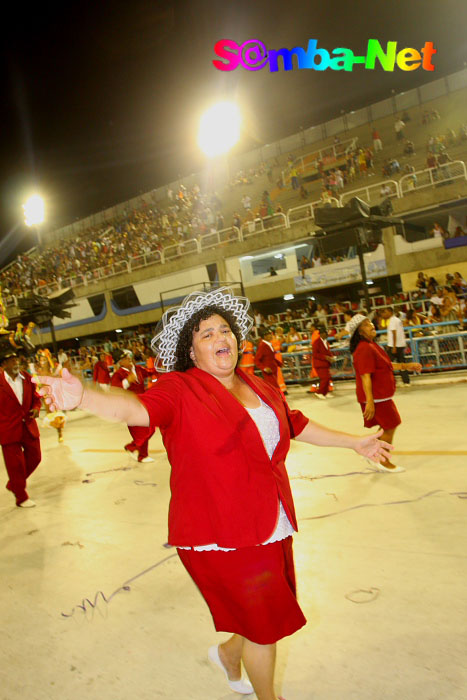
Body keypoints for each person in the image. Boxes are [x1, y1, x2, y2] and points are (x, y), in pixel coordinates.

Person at [35, 287, 392, 700]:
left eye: (225, 330)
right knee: (265, 625)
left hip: (270, 520)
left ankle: (227, 654)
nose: (220, 338)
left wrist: (355, 443)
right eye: (206, 334)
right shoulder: (180, 389)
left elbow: (294, 423)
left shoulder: (255, 384)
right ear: (191, 350)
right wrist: (84, 397)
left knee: (264, 612)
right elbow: (136, 410)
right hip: (220, 532)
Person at [349, 314, 421, 473]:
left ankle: (370, 450)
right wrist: (370, 401)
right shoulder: (364, 348)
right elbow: (365, 376)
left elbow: (386, 365)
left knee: (385, 426)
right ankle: (383, 461)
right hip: (377, 397)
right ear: (360, 332)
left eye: (370, 323)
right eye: (367, 325)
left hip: (381, 395)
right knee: (390, 425)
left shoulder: (371, 345)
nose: (371, 326)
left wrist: (406, 366)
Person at [0, 349, 42, 507]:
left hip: (28, 425)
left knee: (36, 457)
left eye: (16, 359)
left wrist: (37, 408)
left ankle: (14, 485)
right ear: (4, 364)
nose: (16, 362)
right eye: (11, 360)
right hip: (7, 429)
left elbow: (36, 398)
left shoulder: (28, 378)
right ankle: (21, 497)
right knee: (14, 465)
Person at [110, 349, 157, 463]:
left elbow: (150, 372)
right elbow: (115, 390)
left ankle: (138, 451)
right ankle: (139, 453)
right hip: (130, 407)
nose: (129, 359)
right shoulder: (119, 374)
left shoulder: (138, 369)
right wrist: (127, 381)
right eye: (125, 358)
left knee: (150, 428)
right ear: (120, 362)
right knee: (142, 431)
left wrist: (161, 368)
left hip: (142, 404)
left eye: (129, 357)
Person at [381, 307, 411, 385]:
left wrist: (393, 346)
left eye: (385, 312)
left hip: (395, 346)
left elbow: (394, 334)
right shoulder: (397, 320)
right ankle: (406, 381)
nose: (383, 314)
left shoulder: (392, 321)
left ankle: (392, 381)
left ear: (390, 312)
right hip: (400, 345)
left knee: (388, 365)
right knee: (401, 363)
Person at [255, 326, 283, 392]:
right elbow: (256, 360)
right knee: (273, 387)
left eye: (271, 334)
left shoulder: (269, 344)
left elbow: (271, 357)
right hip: (269, 370)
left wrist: (279, 363)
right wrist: (264, 368)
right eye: (269, 334)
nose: (271, 336)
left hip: (273, 369)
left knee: (273, 387)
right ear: (264, 336)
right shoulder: (262, 345)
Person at [311, 328, 334, 399]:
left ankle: (325, 392)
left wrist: (331, 357)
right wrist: (326, 357)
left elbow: (327, 351)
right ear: (321, 334)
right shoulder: (316, 342)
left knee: (327, 378)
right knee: (325, 378)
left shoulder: (326, 342)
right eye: (325, 333)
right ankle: (319, 392)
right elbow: (315, 354)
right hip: (319, 364)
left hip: (325, 363)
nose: (327, 335)